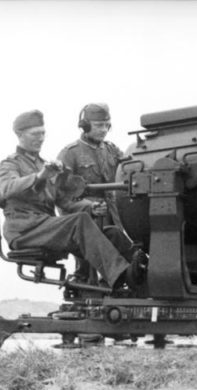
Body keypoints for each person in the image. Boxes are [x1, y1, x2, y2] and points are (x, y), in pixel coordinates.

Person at [0, 109, 134, 291]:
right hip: (25, 231)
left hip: (45, 226)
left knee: (113, 233)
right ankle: (119, 275)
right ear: (19, 134)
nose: (40, 138)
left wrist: (90, 207)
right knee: (79, 222)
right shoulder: (10, 164)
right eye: (35, 134)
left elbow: (65, 200)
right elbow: (6, 187)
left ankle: (141, 274)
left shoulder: (44, 165)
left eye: (43, 133)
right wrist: (40, 177)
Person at [57, 103, 131, 282]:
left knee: (120, 251)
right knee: (88, 271)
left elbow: (130, 167)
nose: (104, 130)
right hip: (86, 217)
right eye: (99, 126)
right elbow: (61, 197)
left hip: (113, 213)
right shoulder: (70, 154)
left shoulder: (111, 150)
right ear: (85, 126)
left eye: (107, 125)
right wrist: (88, 207)